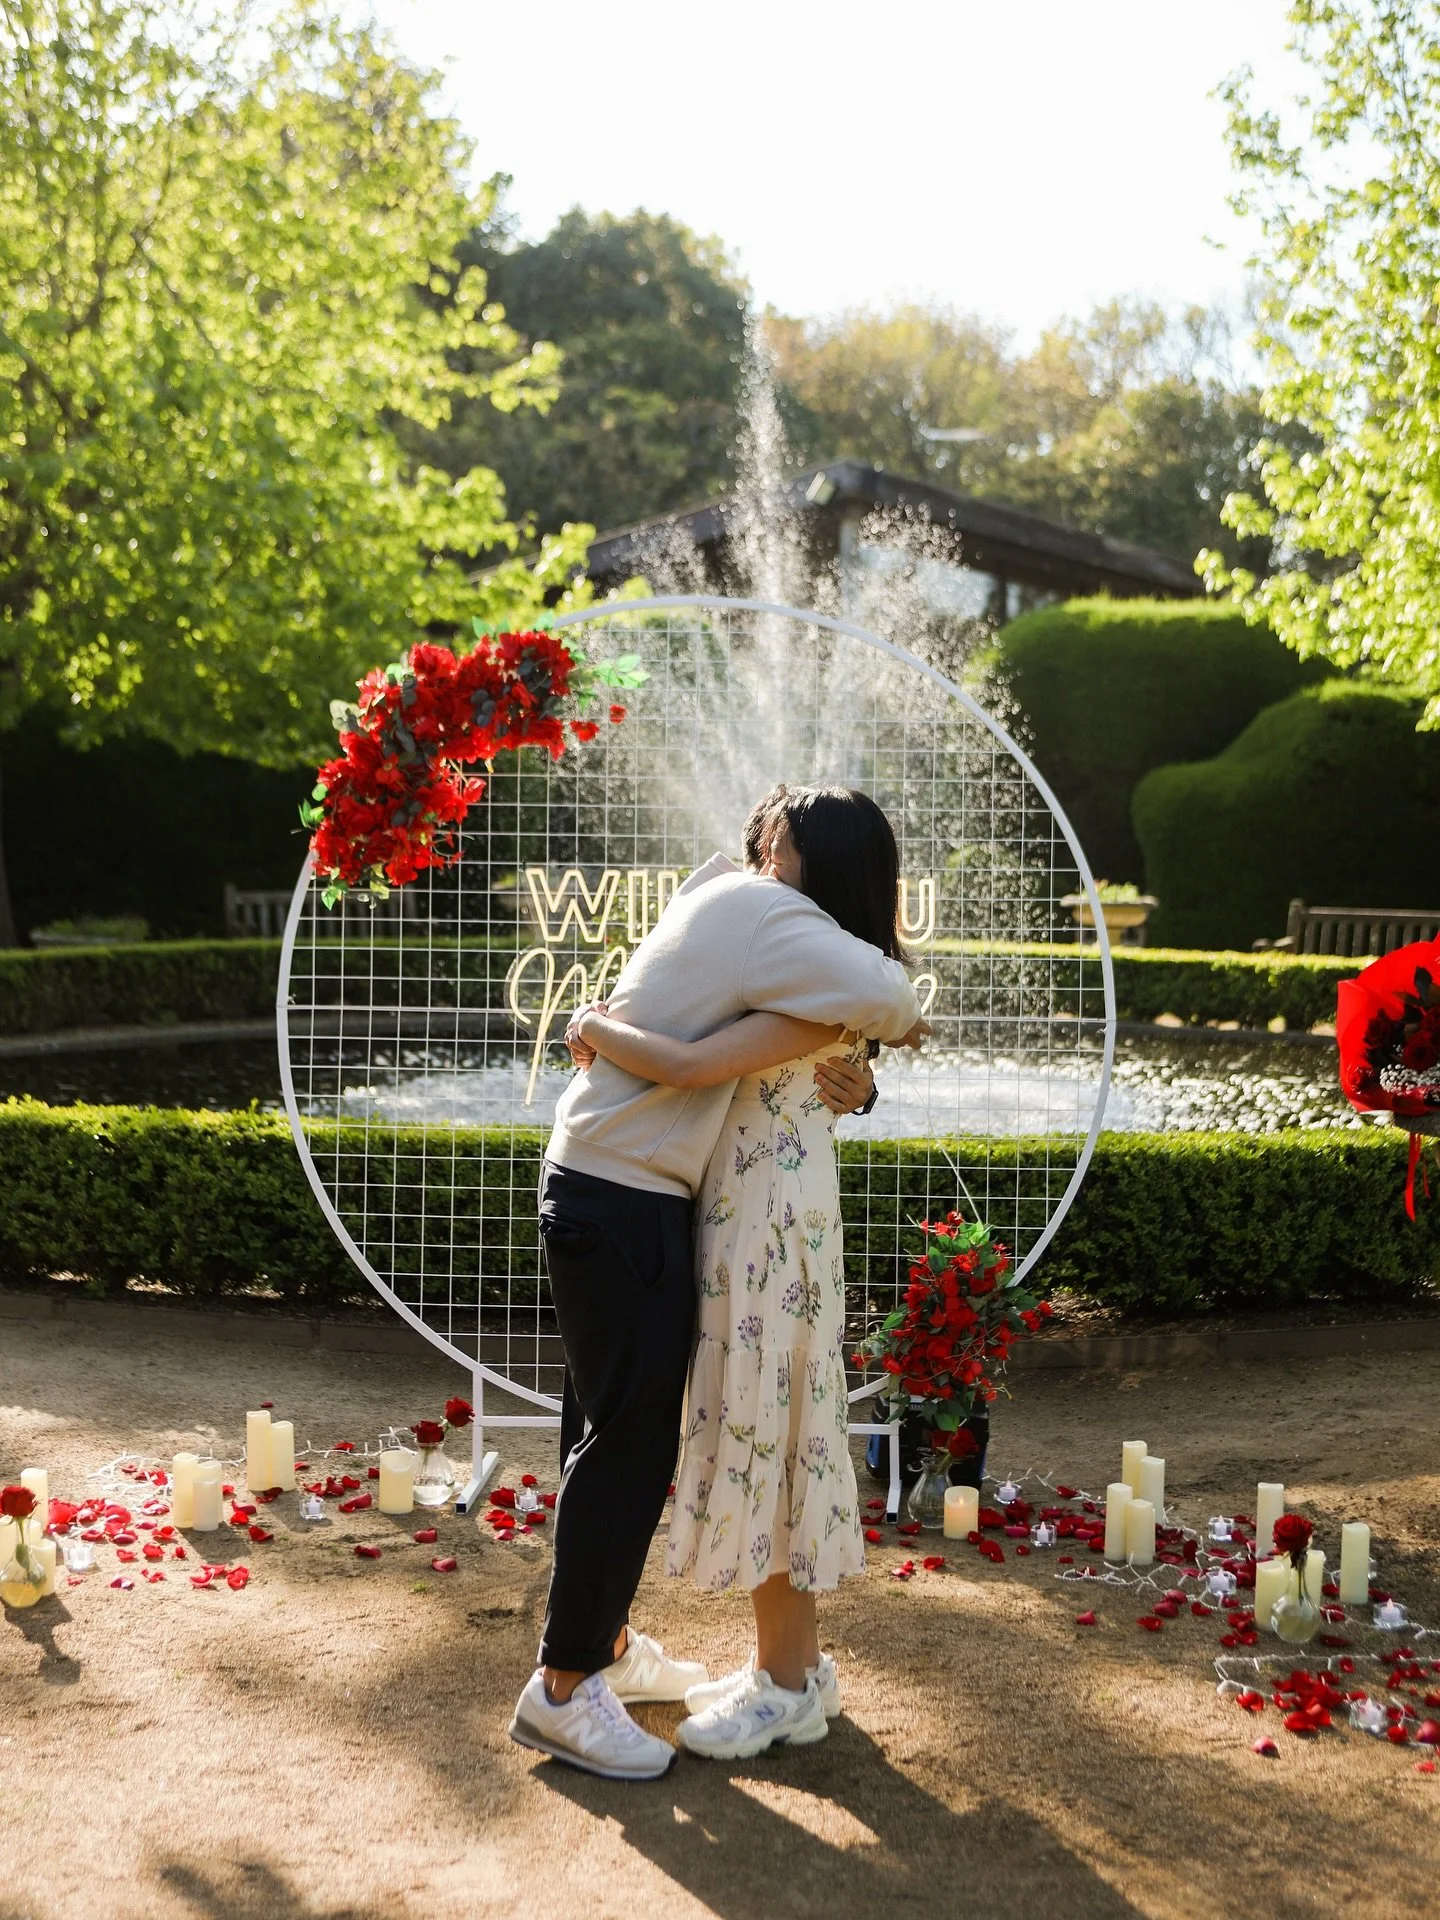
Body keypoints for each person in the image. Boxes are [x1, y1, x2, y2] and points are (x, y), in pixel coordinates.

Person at [507, 786, 923, 1782]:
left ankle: (779, 1678)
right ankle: (665, 1659)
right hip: (716, 1223)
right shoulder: (774, 937)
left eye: (785, 835)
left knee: (756, 1432)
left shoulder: (802, 955)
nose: (765, 843)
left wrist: (595, 1029)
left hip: (762, 1239)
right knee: (668, 1427)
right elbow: (741, 1043)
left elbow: (711, 1063)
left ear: (818, 859)